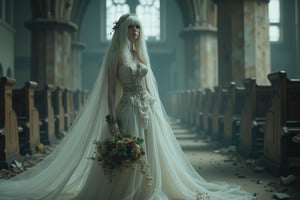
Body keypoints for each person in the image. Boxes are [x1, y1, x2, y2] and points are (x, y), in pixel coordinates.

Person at [0, 14, 255, 200]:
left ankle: (148, 187)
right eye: (131, 26)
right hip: (127, 108)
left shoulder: (138, 55)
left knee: (152, 148)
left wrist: (156, 110)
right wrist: (112, 118)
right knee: (133, 148)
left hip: (146, 108)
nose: (135, 30)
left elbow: (146, 86)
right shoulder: (116, 56)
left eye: (138, 27)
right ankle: (127, 189)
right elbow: (111, 90)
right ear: (122, 30)